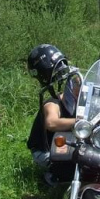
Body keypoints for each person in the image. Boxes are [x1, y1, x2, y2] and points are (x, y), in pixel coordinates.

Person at [26, 44, 76, 182]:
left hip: (59, 142)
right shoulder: (52, 103)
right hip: (44, 151)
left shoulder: (70, 100)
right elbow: (51, 123)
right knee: (79, 161)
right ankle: (51, 177)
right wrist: (80, 122)